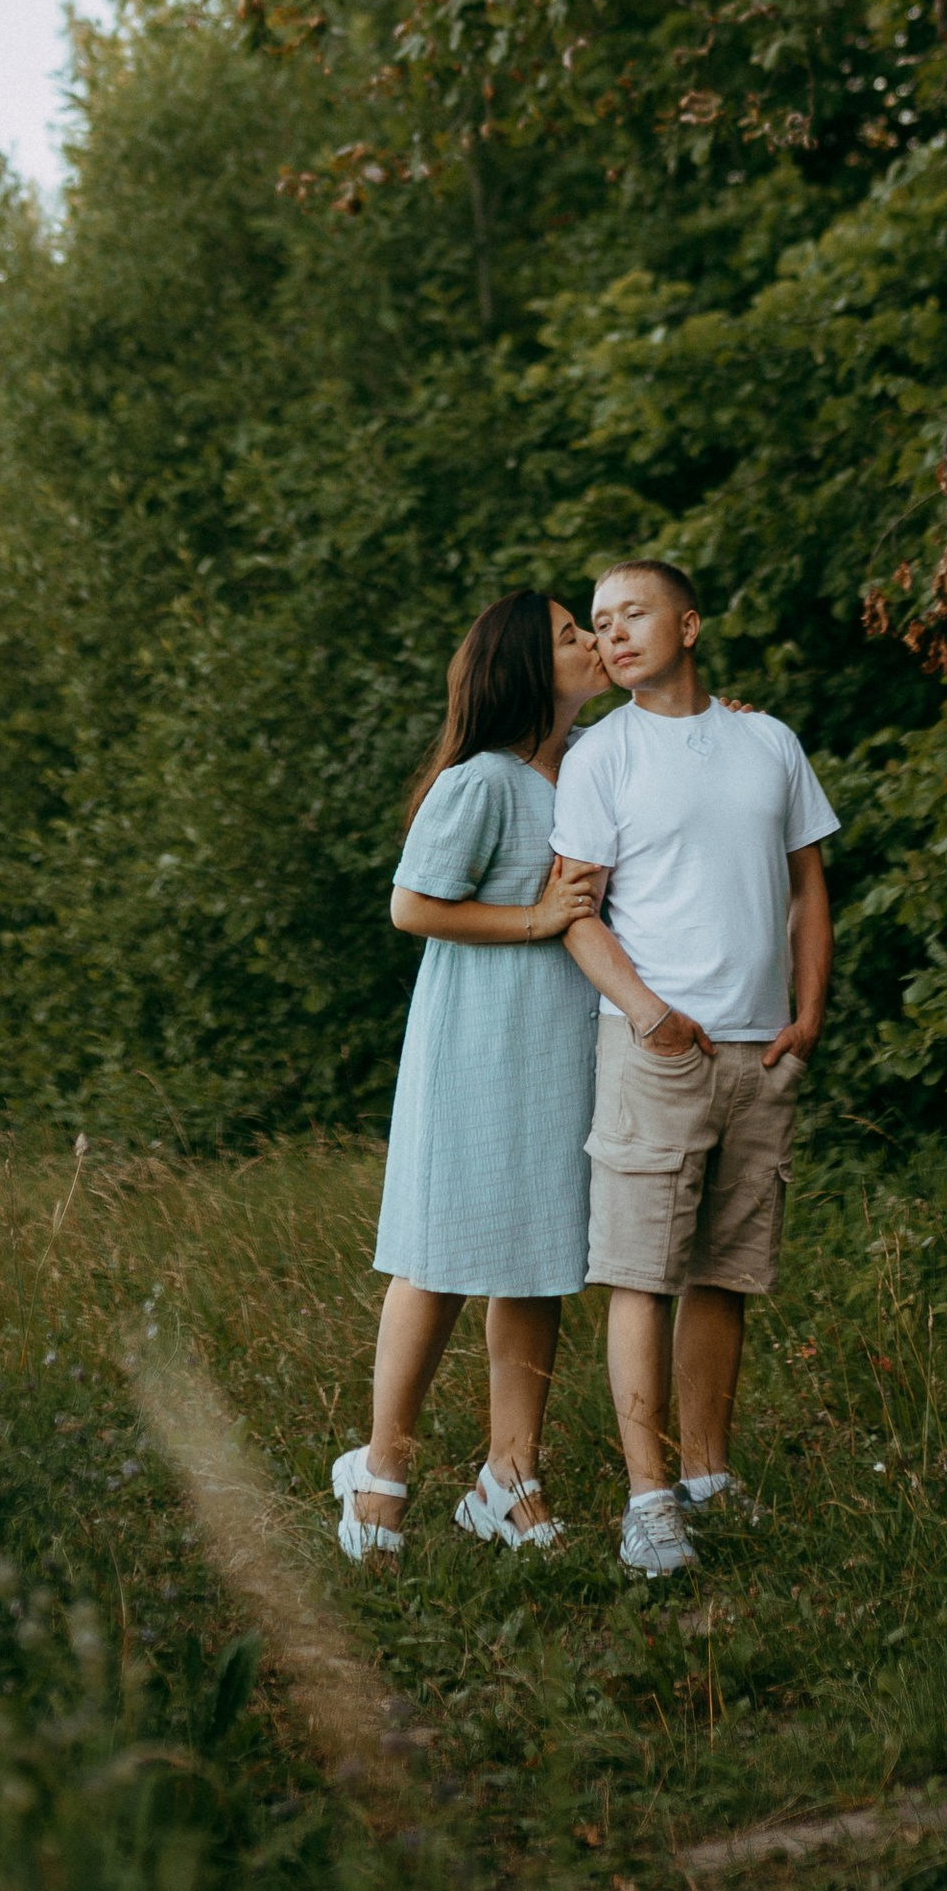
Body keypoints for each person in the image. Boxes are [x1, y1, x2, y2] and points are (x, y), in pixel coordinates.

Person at [552, 559, 838, 1578]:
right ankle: (649, 1500)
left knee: (726, 1273)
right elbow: (574, 911)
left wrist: (805, 1015)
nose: (614, 633)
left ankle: (710, 1477)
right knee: (641, 1274)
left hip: (760, 1051)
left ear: (689, 623)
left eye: (632, 614)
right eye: (598, 623)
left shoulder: (768, 741)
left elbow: (808, 884)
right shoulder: (602, 757)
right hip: (657, 1053)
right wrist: (648, 1016)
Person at [330, 591, 607, 1563]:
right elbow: (411, 905)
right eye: (573, 635)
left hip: (559, 1052)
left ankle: (509, 1475)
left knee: (541, 1257)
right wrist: (533, 918)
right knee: (439, 1257)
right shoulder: (483, 781)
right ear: (531, 667)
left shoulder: (585, 769)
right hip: (474, 1050)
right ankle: (381, 1472)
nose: (592, 643)